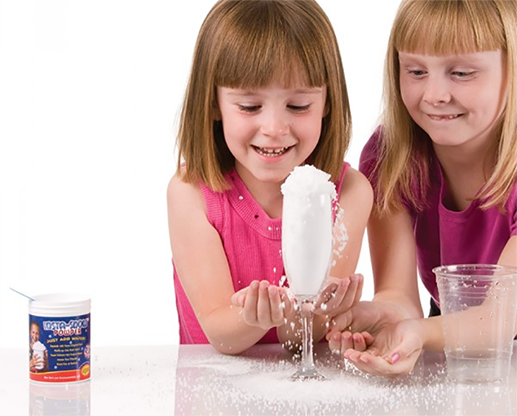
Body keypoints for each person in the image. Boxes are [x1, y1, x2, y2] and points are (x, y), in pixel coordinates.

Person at [167, 0, 373, 354]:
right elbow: (219, 332)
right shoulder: (191, 194)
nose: (274, 128)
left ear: (327, 102)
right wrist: (255, 318)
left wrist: (319, 311)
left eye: (298, 106)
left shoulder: (349, 193)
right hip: (212, 383)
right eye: (250, 107)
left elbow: (301, 339)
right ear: (213, 103)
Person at [327, 0, 517, 376]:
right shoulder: (391, 157)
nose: (434, 95)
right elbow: (399, 294)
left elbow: (501, 316)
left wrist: (419, 332)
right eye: (416, 71)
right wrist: (386, 318)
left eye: (461, 73)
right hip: (452, 334)